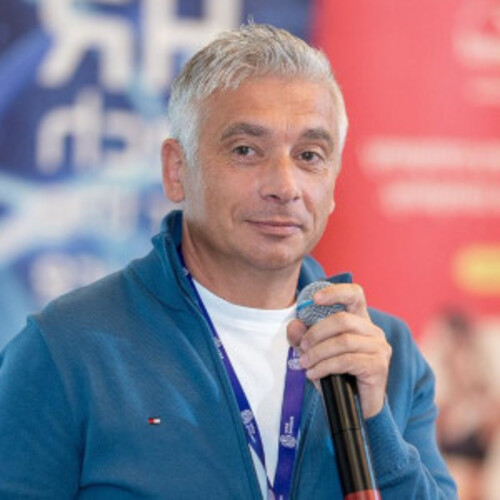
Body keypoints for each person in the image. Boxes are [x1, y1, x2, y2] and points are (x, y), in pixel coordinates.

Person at [0, 23, 456, 499]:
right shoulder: (65, 349)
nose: (285, 186)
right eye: (246, 150)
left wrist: (375, 425)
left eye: (309, 155)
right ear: (177, 170)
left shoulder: (385, 354)